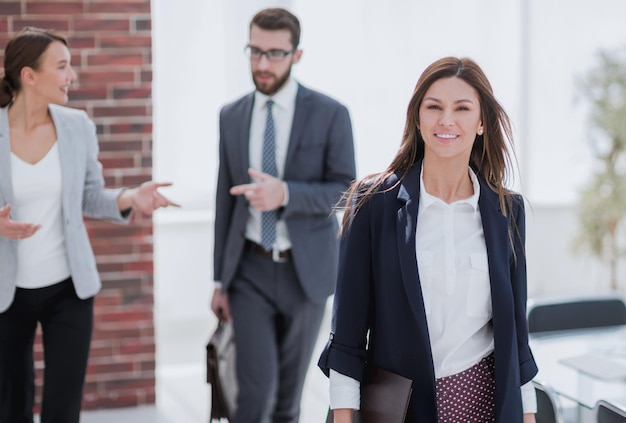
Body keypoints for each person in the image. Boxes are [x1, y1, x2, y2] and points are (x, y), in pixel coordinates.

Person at [318, 57, 539, 422]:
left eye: (462, 108)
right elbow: (347, 339)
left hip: (488, 408)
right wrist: (345, 417)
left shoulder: (507, 210)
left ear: (481, 122)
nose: (446, 120)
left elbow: (517, 339)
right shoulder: (373, 205)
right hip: (402, 410)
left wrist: (528, 416)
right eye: (433, 107)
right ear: (417, 119)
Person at [0, 27, 178, 423]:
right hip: (6, 293)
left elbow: (89, 196)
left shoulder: (76, 126)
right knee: (10, 406)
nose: (71, 76)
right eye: (62, 67)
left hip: (69, 288)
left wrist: (131, 197)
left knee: (63, 410)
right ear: (28, 75)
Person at [210, 7, 356, 422]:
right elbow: (226, 200)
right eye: (254, 51)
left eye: (274, 53)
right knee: (253, 398)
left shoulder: (331, 114)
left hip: (304, 274)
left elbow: (346, 191)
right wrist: (220, 280)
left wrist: (285, 193)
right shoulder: (232, 115)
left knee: (287, 403)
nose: (261, 63)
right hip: (249, 271)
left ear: (297, 54)